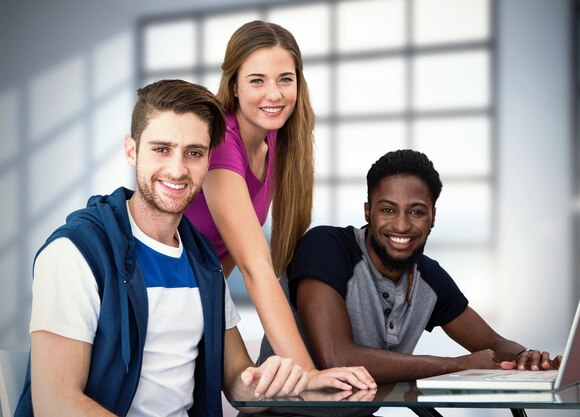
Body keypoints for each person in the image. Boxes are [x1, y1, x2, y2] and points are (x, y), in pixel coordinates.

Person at [14, 79, 337, 417]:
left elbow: (236, 379)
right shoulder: (75, 252)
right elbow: (55, 402)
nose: (178, 169)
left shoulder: (203, 260)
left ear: (209, 160)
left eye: (194, 153)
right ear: (131, 150)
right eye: (161, 149)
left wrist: (274, 383)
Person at [247, 149, 562, 417]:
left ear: (432, 217)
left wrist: (525, 357)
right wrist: (458, 365)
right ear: (368, 211)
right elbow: (336, 357)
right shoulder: (327, 246)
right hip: (284, 413)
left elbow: (492, 344)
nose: (401, 224)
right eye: (387, 209)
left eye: (416, 212)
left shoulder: (429, 277)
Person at [184, 20, 375, 391]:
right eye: (257, 80)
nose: (274, 94)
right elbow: (254, 267)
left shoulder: (277, 141)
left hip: (198, 302)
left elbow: (221, 257)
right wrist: (307, 371)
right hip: (162, 293)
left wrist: (207, 317)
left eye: (285, 79)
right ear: (234, 85)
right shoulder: (222, 142)